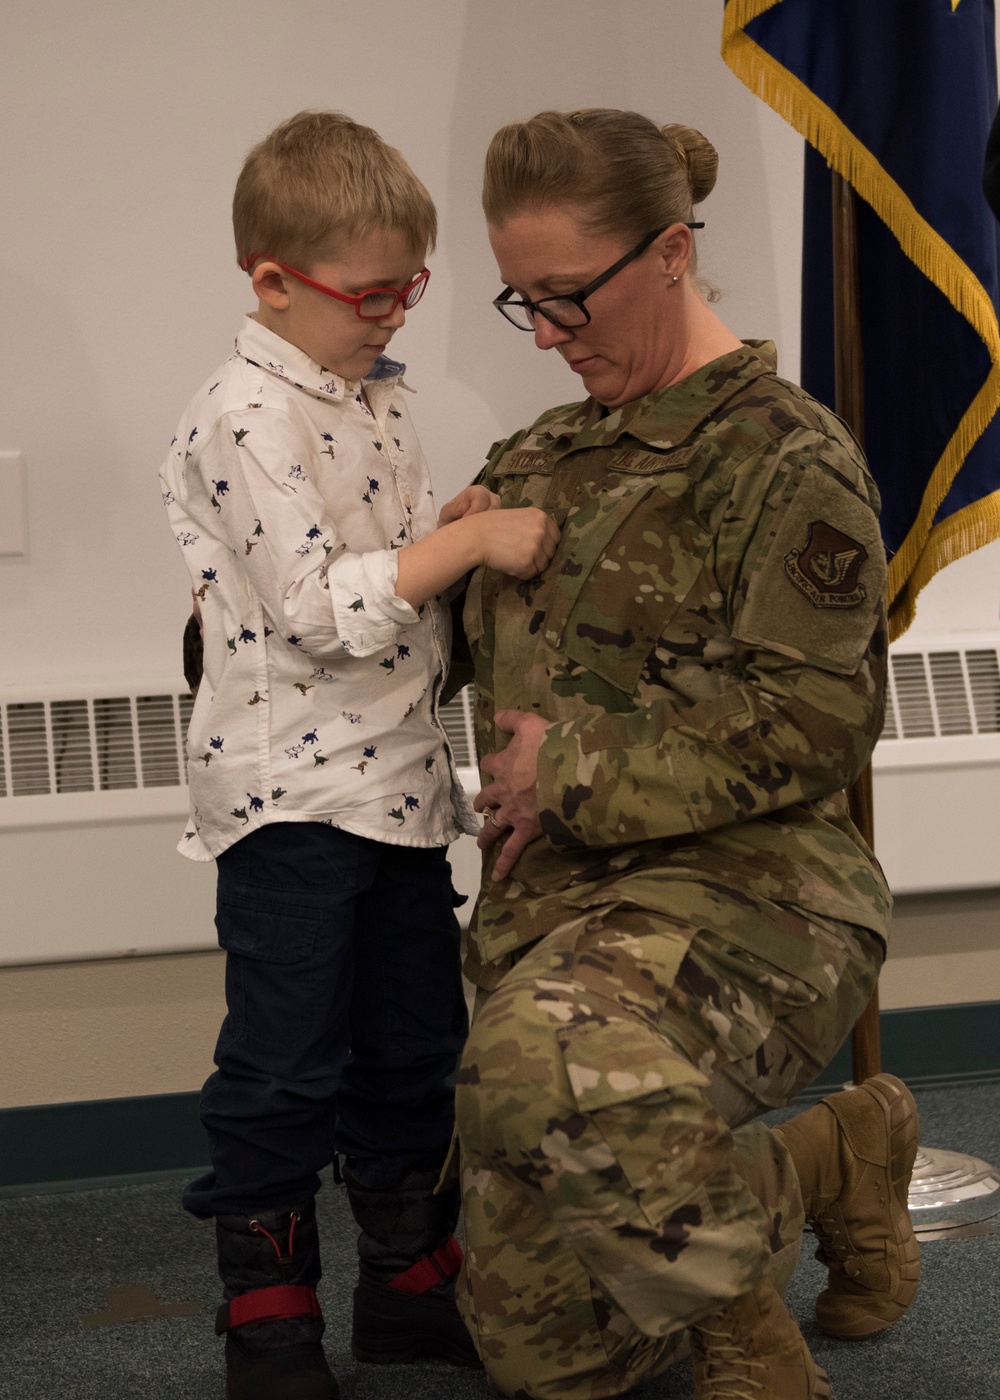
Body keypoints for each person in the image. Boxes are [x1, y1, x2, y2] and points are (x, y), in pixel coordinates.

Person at [452, 109, 919, 1400]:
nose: (548, 335)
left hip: (758, 902)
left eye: (567, 298)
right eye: (522, 303)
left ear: (669, 253)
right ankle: (832, 1159)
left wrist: (576, 770)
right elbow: (411, 645)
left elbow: (823, 721)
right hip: (556, 924)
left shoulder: (783, 456)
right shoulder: (539, 457)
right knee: (551, 1355)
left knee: (534, 1054)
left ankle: (747, 1345)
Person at [159, 110, 557, 1400]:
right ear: (270, 281)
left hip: (397, 793)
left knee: (408, 1043)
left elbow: (391, 588)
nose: (393, 316)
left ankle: (405, 1283)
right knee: (284, 1061)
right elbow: (324, 608)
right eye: (369, 294)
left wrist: (442, 528)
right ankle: (266, 1312)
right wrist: (469, 551)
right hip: (290, 800)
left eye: (410, 289)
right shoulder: (241, 415)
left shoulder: (371, 400)